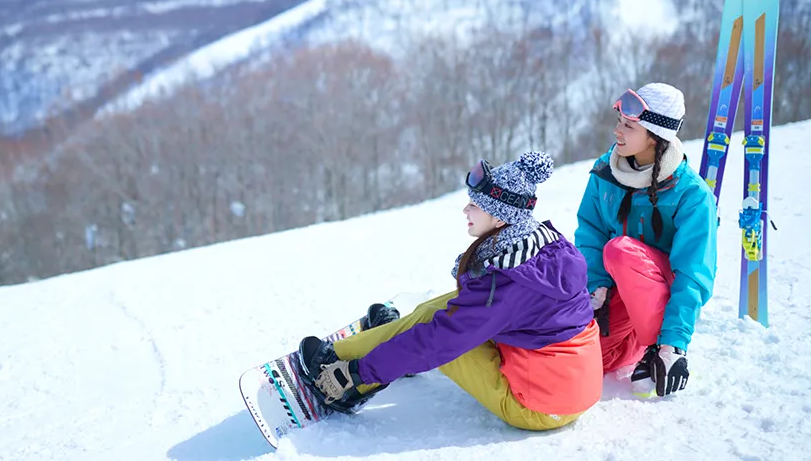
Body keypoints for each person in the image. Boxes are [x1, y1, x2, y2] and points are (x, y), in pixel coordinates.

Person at [298, 151, 602, 431]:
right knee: (439, 312)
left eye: (475, 205)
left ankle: (343, 375)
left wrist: (362, 372)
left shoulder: (509, 281)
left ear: (500, 217)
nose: (465, 209)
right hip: (571, 384)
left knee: (438, 334)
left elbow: (438, 341)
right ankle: (386, 342)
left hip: (541, 406)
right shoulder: (541, 244)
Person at [574, 83, 717, 398]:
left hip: (660, 296)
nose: (617, 131)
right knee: (585, 358)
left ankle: (656, 347)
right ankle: (631, 345)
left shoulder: (691, 194)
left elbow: (693, 273)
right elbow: (590, 229)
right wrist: (595, 284)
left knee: (620, 250)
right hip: (617, 290)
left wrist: (674, 343)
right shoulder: (606, 171)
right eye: (619, 122)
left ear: (654, 135)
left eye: (628, 126)